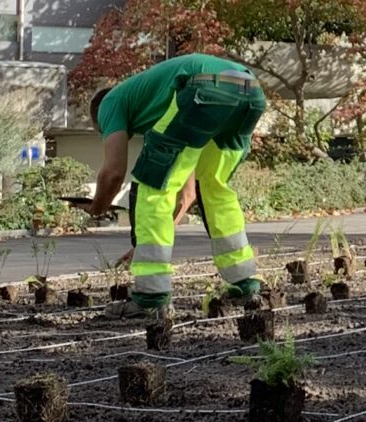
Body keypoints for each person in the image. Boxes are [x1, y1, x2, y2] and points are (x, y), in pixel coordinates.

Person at [76, 52, 267, 314]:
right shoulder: (159, 105)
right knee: (212, 186)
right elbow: (187, 193)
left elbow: (114, 173)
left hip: (203, 91)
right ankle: (244, 285)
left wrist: (97, 208)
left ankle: (150, 299)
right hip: (250, 91)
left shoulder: (110, 102)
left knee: (149, 185)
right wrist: (143, 247)